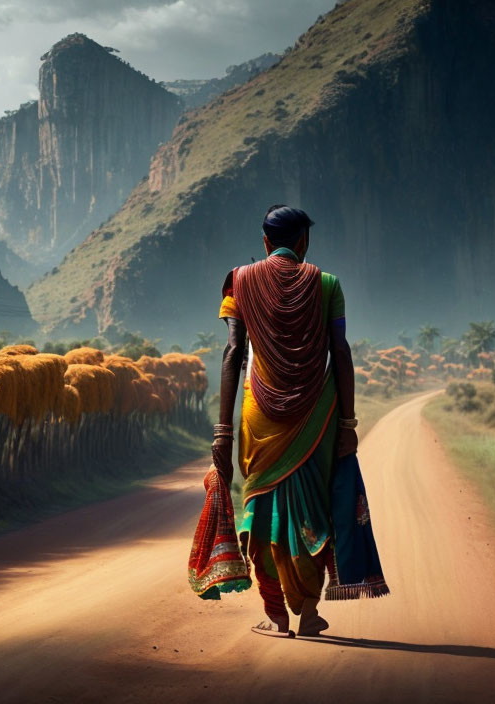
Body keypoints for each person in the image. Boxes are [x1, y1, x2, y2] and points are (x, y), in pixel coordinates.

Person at [212, 204, 388, 638]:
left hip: (260, 417)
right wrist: (347, 425)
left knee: (262, 505)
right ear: (304, 242)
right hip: (318, 417)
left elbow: (234, 353)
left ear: (266, 242)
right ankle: (309, 614)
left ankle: (275, 615)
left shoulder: (238, 281)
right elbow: (341, 353)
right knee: (315, 506)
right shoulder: (328, 285)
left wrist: (222, 429)